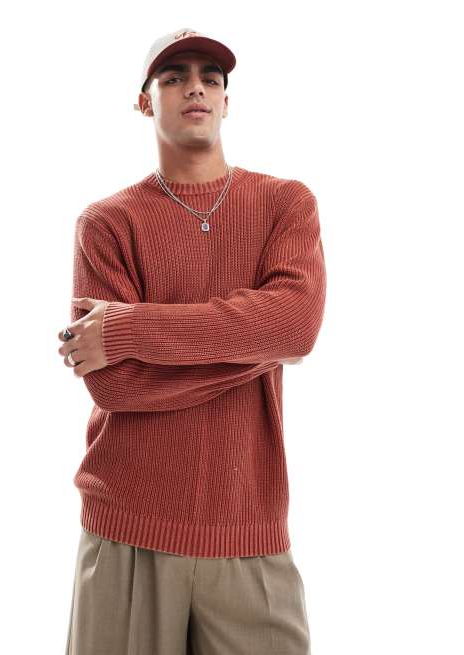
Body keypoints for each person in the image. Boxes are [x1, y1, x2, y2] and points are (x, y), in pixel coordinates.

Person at [58, 27, 326, 655]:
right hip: (127, 528)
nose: (195, 88)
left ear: (228, 100)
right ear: (144, 101)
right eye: (173, 77)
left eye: (210, 77)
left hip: (250, 530)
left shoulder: (285, 204)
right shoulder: (106, 223)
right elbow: (116, 385)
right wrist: (260, 341)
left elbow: (297, 326)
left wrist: (129, 328)